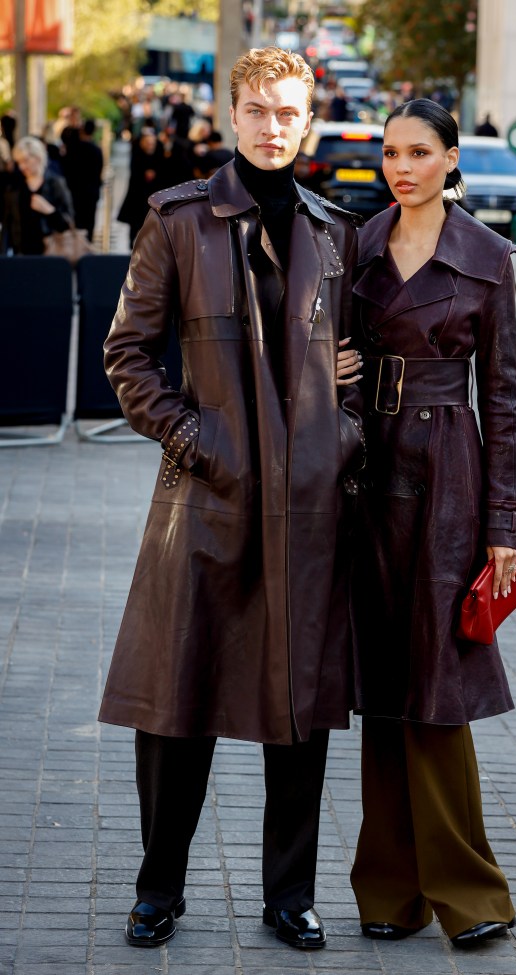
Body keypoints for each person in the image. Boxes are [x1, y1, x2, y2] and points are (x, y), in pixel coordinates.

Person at [98, 47, 364, 952]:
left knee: (301, 710)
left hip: (311, 507)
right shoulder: (178, 218)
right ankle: (158, 888)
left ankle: (290, 895)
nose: (272, 126)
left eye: (288, 112)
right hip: (206, 502)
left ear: (308, 120)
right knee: (178, 703)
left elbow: (361, 364)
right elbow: (127, 354)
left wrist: (342, 433)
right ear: (232, 113)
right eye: (257, 109)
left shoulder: (337, 232)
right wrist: (197, 439)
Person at [338, 98, 516, 949]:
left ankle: (468, 889)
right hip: (364, 470)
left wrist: (506, 524)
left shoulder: (486, 257)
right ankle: (388, 890)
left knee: (437, 682)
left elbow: (505, 398)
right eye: (391, 153)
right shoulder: (356, 244)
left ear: (452, 158)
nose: (401, 167)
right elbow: (320, 348)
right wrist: (331, 368)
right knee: (383, 680)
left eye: (419, 152)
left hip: (449, 475)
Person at [0, 135, 74, 255]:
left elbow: (68, 223)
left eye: (26, 160)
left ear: (38, 157)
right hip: (20, 254)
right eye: (19, 162)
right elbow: (6, 225)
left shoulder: (55, 184)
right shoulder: (14, 187)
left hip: (50, 252)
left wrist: (49, 210)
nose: (22, 166)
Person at [61, 119, 104, 241]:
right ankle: (87, 246)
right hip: (91, 193)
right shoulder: (96, 150)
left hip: (74, 192)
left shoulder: (71, 150)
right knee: (89, 224)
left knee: (76, 223)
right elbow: (99, 171)